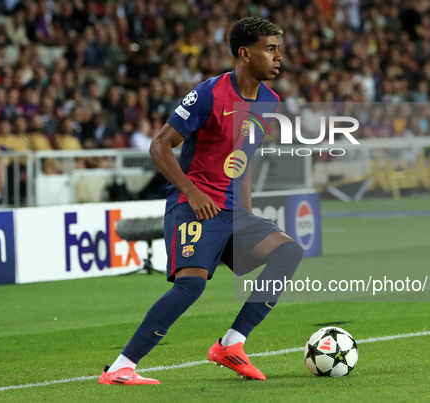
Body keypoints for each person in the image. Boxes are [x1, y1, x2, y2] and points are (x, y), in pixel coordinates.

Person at [99, 17, 303, 385]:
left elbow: (244, 157)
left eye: (277, 48)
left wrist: (247, 215)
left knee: (288, 252)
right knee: (191, 285)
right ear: (245, 53)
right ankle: (120, 367)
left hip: (232, 211)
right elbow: (160, 145)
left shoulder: (269, 101)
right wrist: (192, 192)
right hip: (193, 205)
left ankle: (232, 344)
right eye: (270, 48)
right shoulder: (209, 93)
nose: (278, 57)